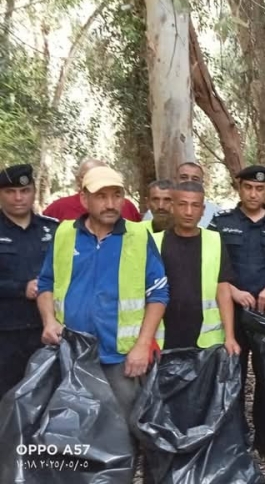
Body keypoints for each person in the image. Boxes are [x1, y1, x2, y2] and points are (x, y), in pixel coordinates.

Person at [35, 166, 168, 456]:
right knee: (79, 428)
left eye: (117, 195)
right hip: (73, 353)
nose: (110, 204)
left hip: (121, 356)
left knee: (126, 429)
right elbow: (46, 283)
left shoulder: (137, 236)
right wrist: (48, 320)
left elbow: (158, 293)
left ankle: (123, 472)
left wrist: (142, 345)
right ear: (84, 199)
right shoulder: (64, 234)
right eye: (101, 196)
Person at [208, 164, 265, 458]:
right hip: (230, 311)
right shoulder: (222, 223)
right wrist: (231, 290)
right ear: (239, 188)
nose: (253, 194)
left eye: (259, 188)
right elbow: (210, 261)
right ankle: (233, 438)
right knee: (233, 374)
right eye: (248, 188)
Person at [150, 181, 240, 355]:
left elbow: (223, 289)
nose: (189, 212)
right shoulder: (155, 242)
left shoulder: (214, 241)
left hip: (205, 340)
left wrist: (230, 336)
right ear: (172, 206)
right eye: (182, 204)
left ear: (203, 210)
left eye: (195, 205)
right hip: (164, 337)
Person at [0, 164, 58, 397]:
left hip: (46, 332)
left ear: (34, 191)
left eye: (24, 191)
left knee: (45, 398)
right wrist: (20, 289)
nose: (18, 198)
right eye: (10, 191)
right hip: (5, 334)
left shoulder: (53, 229)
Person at [43, 159, 142, 221]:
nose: (110, 205)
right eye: (87, 176)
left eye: (101, 176)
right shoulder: (59, 207)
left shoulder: (127, 206)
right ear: (78, 180)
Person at [142, 162, 221, 228]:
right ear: (175, 180)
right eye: (184, 177)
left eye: (195, 179)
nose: (189, 181)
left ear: (202, 183)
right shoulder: (157, 213)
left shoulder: (215, 212)